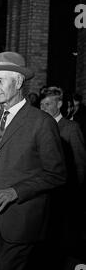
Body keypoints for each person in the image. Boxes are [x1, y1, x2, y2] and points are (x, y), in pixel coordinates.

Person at [0, 51, 66, 270]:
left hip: (22, 220)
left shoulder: (41, 122)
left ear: (18, 82)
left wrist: (16, 191)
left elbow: (57, 174)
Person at [40, 87, 86, 254]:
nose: (43, 108)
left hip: (64, 191)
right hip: (44, 190)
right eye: (41, 104)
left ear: (59, 104)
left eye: (48, 104)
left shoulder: (71, 128)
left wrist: (74, 192)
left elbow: (80, 164)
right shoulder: (40, 126)